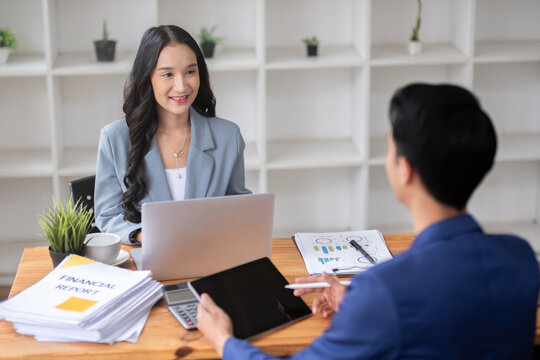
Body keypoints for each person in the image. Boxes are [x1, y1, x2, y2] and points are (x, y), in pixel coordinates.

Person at [196, 83, 540, 359]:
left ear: (405, 170)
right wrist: (354, 297)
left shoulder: (384, 293)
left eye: (391, 149)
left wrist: (224, 341)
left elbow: (405, 300)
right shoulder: (521, 257)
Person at [94, 25, 251, 245]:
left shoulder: (228, 136)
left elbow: (239, 206)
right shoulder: (114, 139)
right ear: (147, 78)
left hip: (210, 260)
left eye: (190, 72)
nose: (181, 86)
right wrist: (142, 235)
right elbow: (108, 215)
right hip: (148, 264)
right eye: (168, 74)